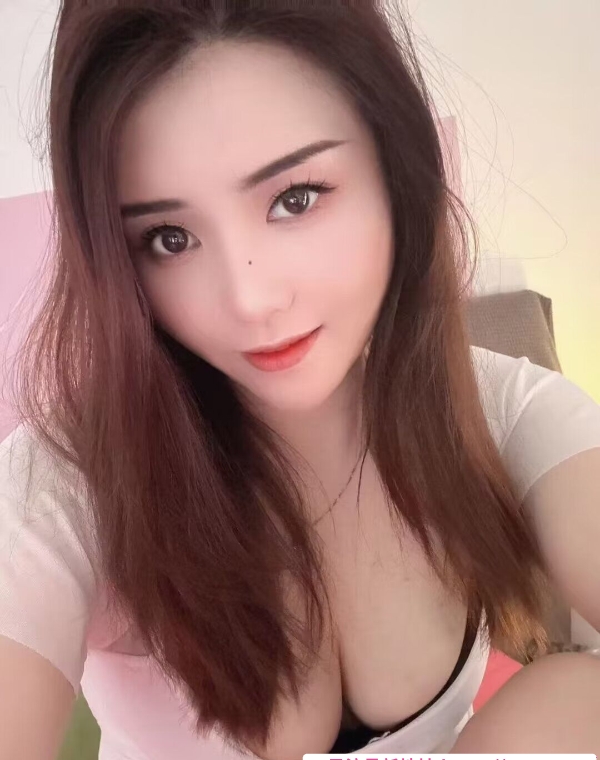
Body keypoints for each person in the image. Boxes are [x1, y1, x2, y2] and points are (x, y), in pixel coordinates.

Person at [1, 2, 600, 759]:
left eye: (296, 198)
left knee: (573, 697)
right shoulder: (71, 483)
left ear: (394, 168)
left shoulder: (495, 411)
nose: (250, 299)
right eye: (169, 238)